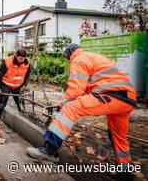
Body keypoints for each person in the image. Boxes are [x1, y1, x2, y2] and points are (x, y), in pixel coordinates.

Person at [27, 43, 136, 179]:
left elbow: (76, 89)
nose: (68, 61)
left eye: (67, 59)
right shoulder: (92, 57)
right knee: (118, 137)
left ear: (69, 55)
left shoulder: (78, 59)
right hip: (128, 98)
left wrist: (65, 104)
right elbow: (88, 88)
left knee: (70, 109)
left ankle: (49, 151)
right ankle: (125, 172)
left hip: (112, 95)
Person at [0, 49, 31, 117]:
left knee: (19, 100)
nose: (21, 60)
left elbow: (27, 75)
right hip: (6, 84)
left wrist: (25, 85)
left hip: (18, 86)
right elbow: (0, 74)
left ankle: (22, 113)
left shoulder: (27, 64)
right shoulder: (7, 62)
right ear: (16, 56)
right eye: (20, 58)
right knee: (3, 100)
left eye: (23, 58)